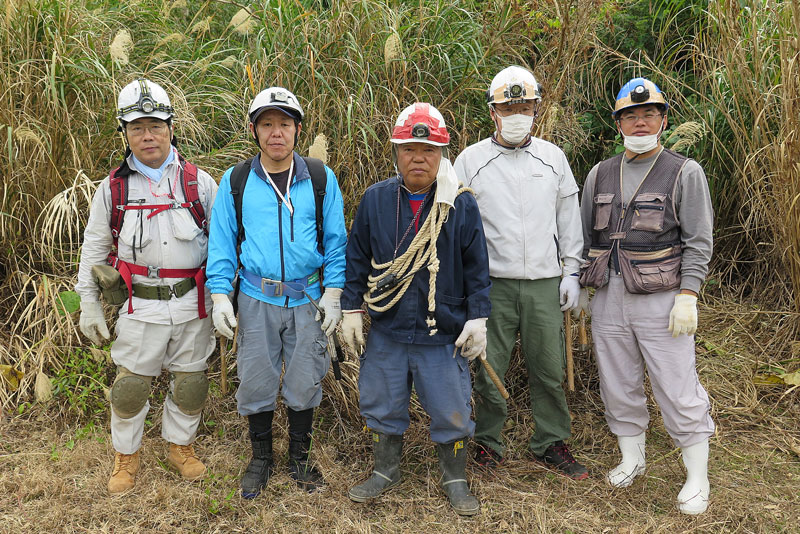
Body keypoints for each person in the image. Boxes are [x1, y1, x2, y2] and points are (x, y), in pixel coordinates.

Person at [340, 102, 492, 516]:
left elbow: (478, 266)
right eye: (409, 149)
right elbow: (357, 259)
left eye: (428, 151)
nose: (418, 158)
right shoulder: (375, 200)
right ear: (396, 153)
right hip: (388, 327)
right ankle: (386, 470)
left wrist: (478, 317)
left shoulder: (459, 204)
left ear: (441, 154)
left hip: (442, 330)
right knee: (382, 402)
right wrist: (351, 309)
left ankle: (455, 477)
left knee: (452, 408)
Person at [579, 77, 715, 515]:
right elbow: (586, 237)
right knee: (617, 381)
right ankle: (631, 457)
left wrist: (688, 294)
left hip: (663, 297)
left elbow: (698, 241)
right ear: (617, 122)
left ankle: (697, 477)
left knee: (676, 385)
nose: (640, 122)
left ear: (663, 119)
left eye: (649, 114)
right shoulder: (599, 173)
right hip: (608, 296)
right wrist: (582, 286)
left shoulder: (684, 171)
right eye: (630, 116)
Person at [76, 78, 218, 494]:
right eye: (137, 127)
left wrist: (226, 299)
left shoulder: (199, 183)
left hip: (195, 304)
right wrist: (88, 304)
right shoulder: (114, 188)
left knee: (191, 382)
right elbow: (94, 250)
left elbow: (225, 247)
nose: (148, 135)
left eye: (155, 125)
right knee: (130, 388)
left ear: (171, 126)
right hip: (140, 306)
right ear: (125, 133)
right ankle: (127, 455)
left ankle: (180, 448)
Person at [206, 86, 347, 498]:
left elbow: (336, 241)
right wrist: (219, 295)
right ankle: (261, 458)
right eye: (267, 124)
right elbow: (221, 241)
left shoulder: (320, 178)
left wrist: (335, 292)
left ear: (297, 130)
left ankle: (300, 458)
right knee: (255, 380)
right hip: (256, 298)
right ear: (254, 130)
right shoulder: (236, 180)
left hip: (309, 301)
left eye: (284, 123)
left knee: (305, 380)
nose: (276, 133)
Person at [453, 66, 587, 479]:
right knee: (488, 366)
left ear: (536, 108)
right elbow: (456, 225)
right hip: (491, 284)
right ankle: (488, 442)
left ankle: (550, 441)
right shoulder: (470, 160)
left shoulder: (553, 158)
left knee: (548, 367)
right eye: (508, 106)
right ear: (493, 111)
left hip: (545, 283)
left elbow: (569, 218)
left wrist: (572, 272)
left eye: (525, 105)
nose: (517, 112)